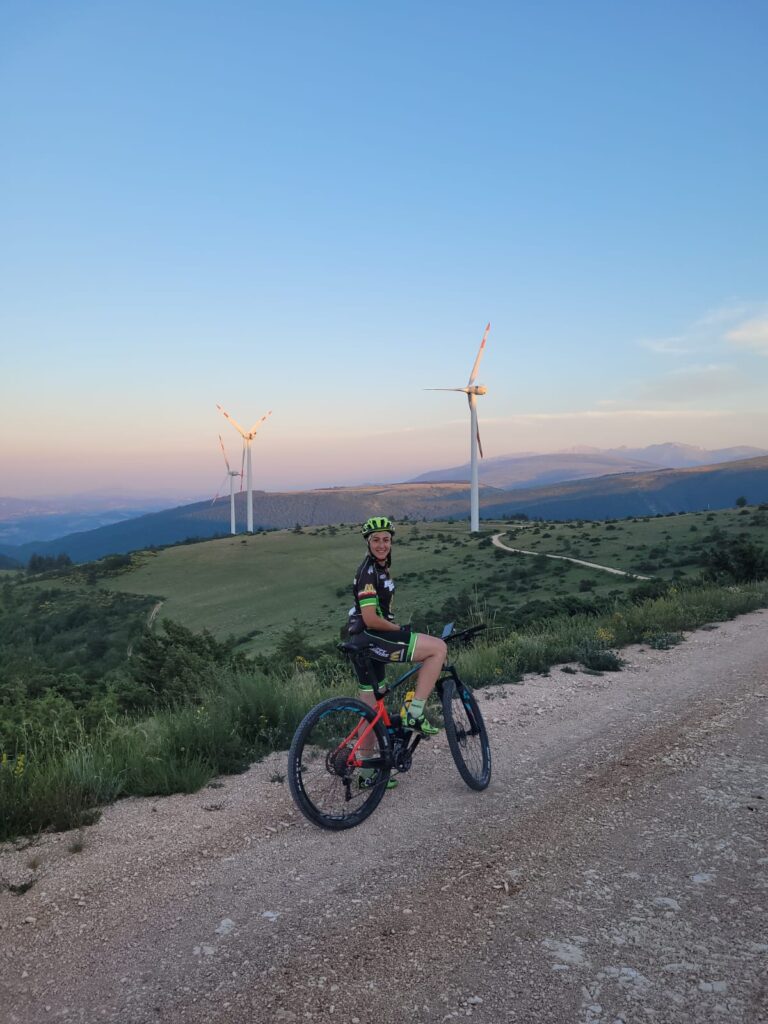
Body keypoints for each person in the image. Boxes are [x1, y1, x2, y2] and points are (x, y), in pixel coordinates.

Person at [347, 516, 447, 741]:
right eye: (376, 540)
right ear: (368, 543)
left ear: (391, 542)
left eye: (386, 539)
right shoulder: (369, 572)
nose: (381, 545)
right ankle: (414, 712)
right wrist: (396, 627)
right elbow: (371, 618)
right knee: (437, 649)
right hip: (373, 636)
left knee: (370, 714)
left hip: (360, 641)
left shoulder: (378, 568)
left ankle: (368, 773)